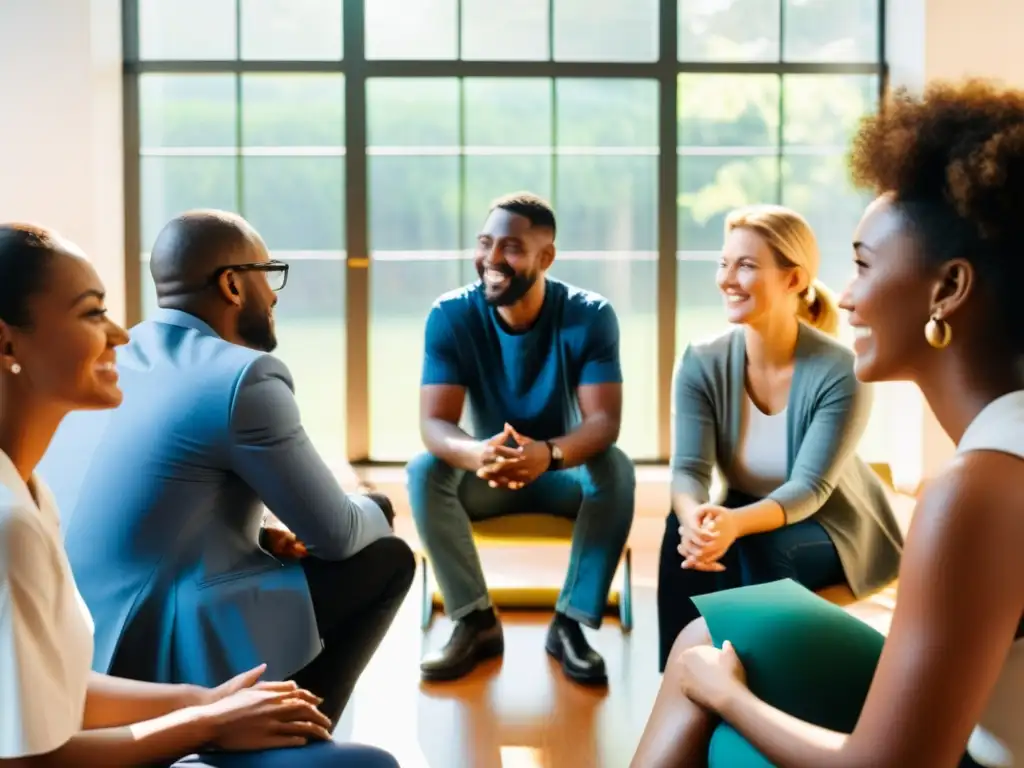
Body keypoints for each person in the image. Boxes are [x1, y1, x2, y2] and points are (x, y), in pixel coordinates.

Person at [631, 78, 1024, 768]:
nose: (845, 297)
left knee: (716, 707)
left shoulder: (977, 490)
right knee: (701, 641)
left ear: (949, 289)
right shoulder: (999, 450)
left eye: (864, 265)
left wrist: (730, 700)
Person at [0, 223, 399, 767]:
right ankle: (294, 735)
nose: (119, 334)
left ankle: (281, 731)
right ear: (233, 285)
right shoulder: (12, 524)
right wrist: (206, 725)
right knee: (384, 561)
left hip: (99, 672)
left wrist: (210, 706)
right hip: (129, 669)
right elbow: (27, 759)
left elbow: (62, 687)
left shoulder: (28, 486)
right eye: (92, 312)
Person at [657, 204, 904, 670]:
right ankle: (681, 674)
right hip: (749, 513)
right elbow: (689, 471)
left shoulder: (840, 370)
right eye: (723, 263)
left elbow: (810, 489)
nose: (727, 278)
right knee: (679, 534)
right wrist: (694, 520)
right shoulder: (701, 361)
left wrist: (733, 524)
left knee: (758, 543)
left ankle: (776, 685)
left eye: (746, 265)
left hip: (833, 527)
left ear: (793, 280)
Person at [407, 192, 635, 686]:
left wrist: (548, 454)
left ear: (545, 257)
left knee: (614, 466)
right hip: (485, 475)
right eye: (485, 242)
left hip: (560, 475)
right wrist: (479, 453)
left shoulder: (590, 315)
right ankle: (474, 621)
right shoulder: (450, 315)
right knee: (424, 469)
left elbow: (603, 423)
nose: (491, 259)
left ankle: (571, 626)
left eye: (510, 247)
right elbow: (435, 424)